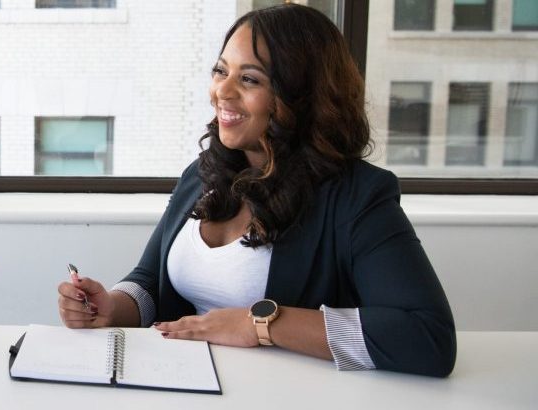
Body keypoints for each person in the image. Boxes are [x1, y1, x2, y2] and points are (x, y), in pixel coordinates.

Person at [56, 4, 455, 377]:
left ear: (301, 96)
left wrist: (260, 323)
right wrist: (111, 307)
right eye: (220, 71)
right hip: (185, 385)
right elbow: (150, 282)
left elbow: (427, 336)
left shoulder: (358, 195)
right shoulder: (203, 173)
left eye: (249, 79)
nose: (222, 92)